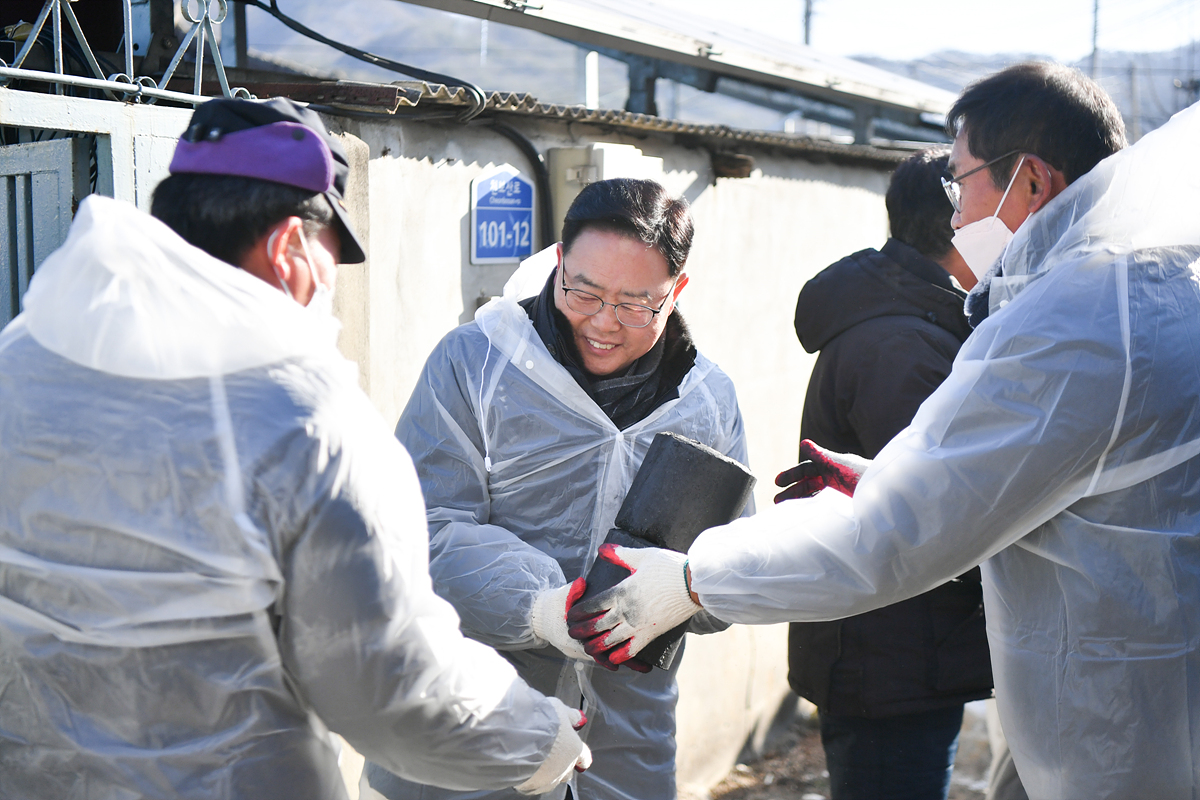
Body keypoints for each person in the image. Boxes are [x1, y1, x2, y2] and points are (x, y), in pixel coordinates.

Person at [568, 62, 1200, 800]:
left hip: (1117, 720)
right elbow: (1036, 475)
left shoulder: (1071, 319)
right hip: (1136, 683)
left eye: (962, 183)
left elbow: (897, 537)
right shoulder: (1146, 287)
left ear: (1031, 181)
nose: (959, 215)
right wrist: (887, 479)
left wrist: (691, 581)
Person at [0, 97, 588, 800]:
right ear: (287, 248)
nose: (331, 294)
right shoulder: (309, 424)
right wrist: (539, 737)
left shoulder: (20, 359)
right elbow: (387, 685)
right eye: (330, 262)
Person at [369, 177, 750, 800]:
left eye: (634, 304)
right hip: (475, 711)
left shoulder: (707, 399)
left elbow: (728, 565)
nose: (603, 323)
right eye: (584, 291)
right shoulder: (476, 363)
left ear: (676, 291)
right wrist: (544, 607)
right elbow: (420, 528)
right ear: (558, 262)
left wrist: (684, 591)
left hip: (626, 736)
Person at [784, 147, 992, 800]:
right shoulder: (901, 346)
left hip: (903, 648)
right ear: (962, 222)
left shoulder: (913, 320)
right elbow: (930, 513)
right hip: (892, 659)